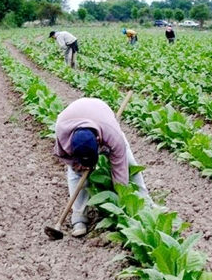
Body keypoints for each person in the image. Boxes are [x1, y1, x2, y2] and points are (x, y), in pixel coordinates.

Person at [54, 98, 153, 237]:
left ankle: (147, 205)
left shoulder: (112, 134)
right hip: (72, 119)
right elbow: (63, 156)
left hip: (101, 114)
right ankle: (79, 217)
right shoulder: (62, 133)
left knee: (130, 164)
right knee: (75, 174)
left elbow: (119, 167)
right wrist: (78, 165)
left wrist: (121, 198)